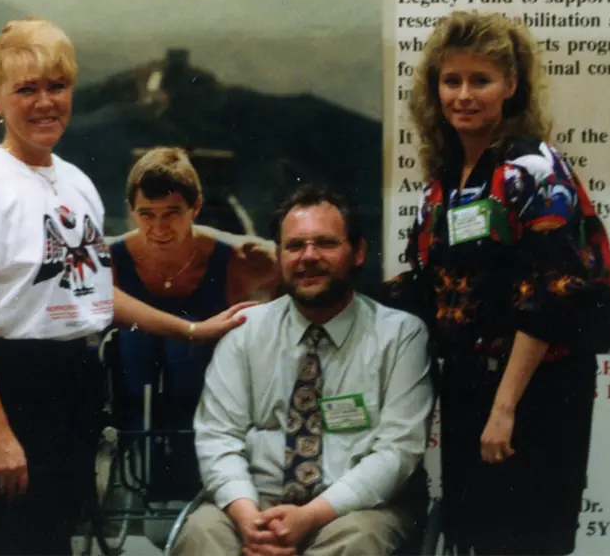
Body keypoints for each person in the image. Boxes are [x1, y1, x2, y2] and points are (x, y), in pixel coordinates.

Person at [0, 17, 250, 555]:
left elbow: (92, 291)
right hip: (11, 387)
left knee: (56, 542)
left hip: (75, 384)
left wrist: (189, 330)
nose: (45, 102)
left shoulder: (76, 184)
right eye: (26, 89)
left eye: (57, 87)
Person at [384, 10, 610, 555]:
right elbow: (433, 287)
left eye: (481, 80)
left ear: (510, 86)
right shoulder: (448, 180)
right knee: (472, 538)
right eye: (452, 81)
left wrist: (504, 407)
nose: (464, 95)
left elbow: (550, 296)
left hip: (535, 393)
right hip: (473, 388)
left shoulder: (534, 169)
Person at [172, 184, 434, 556]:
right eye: (294, 246)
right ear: (279, 257)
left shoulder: (400, 335)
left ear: (357, 252)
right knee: (202, 534)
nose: (308, 257)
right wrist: (249, 519)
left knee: (360, 541)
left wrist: (309, 517)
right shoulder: (244, 332)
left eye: (325, 243)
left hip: (355, 509)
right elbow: (217, 436)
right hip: (256, 504)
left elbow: (397, 453)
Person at [108, 146, 279, 541]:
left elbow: (298, 271)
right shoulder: (111, 258)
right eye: (146, 215)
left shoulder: (238, 257)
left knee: (186, 348)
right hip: (134, 405)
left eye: (172, 214)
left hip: (209, 407)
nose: (159, 229)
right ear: (131, 211)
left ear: (195, 208)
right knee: (135, 341)